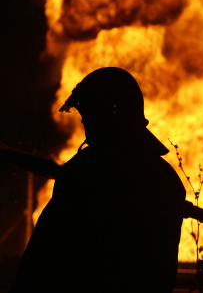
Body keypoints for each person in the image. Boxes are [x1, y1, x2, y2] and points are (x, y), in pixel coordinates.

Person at [10, 67, 186, 292]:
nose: (84, 122)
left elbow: (45, 255)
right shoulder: (165, 178)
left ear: (109, 114)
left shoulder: (85, 173)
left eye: (89, 113)